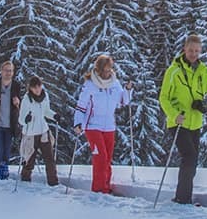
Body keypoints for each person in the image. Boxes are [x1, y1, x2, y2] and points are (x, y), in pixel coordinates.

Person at [159, 33, 207, 205]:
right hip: (178, 121)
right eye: (191, 50)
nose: (193, 54)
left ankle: (183, 196)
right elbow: (163, 97)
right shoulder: (173, 71)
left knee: (192, 160)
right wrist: (174, 115)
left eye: (197, 51)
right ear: (185, 49)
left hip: (195, 122)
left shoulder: (202, 70)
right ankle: (183, 199)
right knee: (189, 157)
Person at [73, 54, 133, 194]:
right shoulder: (90, 84)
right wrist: (78, 123)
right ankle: (98, 189)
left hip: (109, 126)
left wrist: (128, 90)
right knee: (100, 156)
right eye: (105, 70)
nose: (108, 73)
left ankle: (106, 186)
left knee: (107, 158)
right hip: (93, 125)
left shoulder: (114, 83)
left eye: (109, 69)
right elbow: (81, 106)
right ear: (99, 70)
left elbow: (123, 101)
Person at [18, 76, 59, 185]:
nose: (37, 89)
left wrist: (54, 116)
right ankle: (25, 180)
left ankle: (53, 182)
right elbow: (21, 119)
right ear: (30, 88)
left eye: (39, 86)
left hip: (43, 131)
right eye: (34, 87)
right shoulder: (26, 99)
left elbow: (46, 111)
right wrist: (26, 119)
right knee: (29, 160)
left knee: (49, 159)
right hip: (31, 133)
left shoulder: (45, 96)